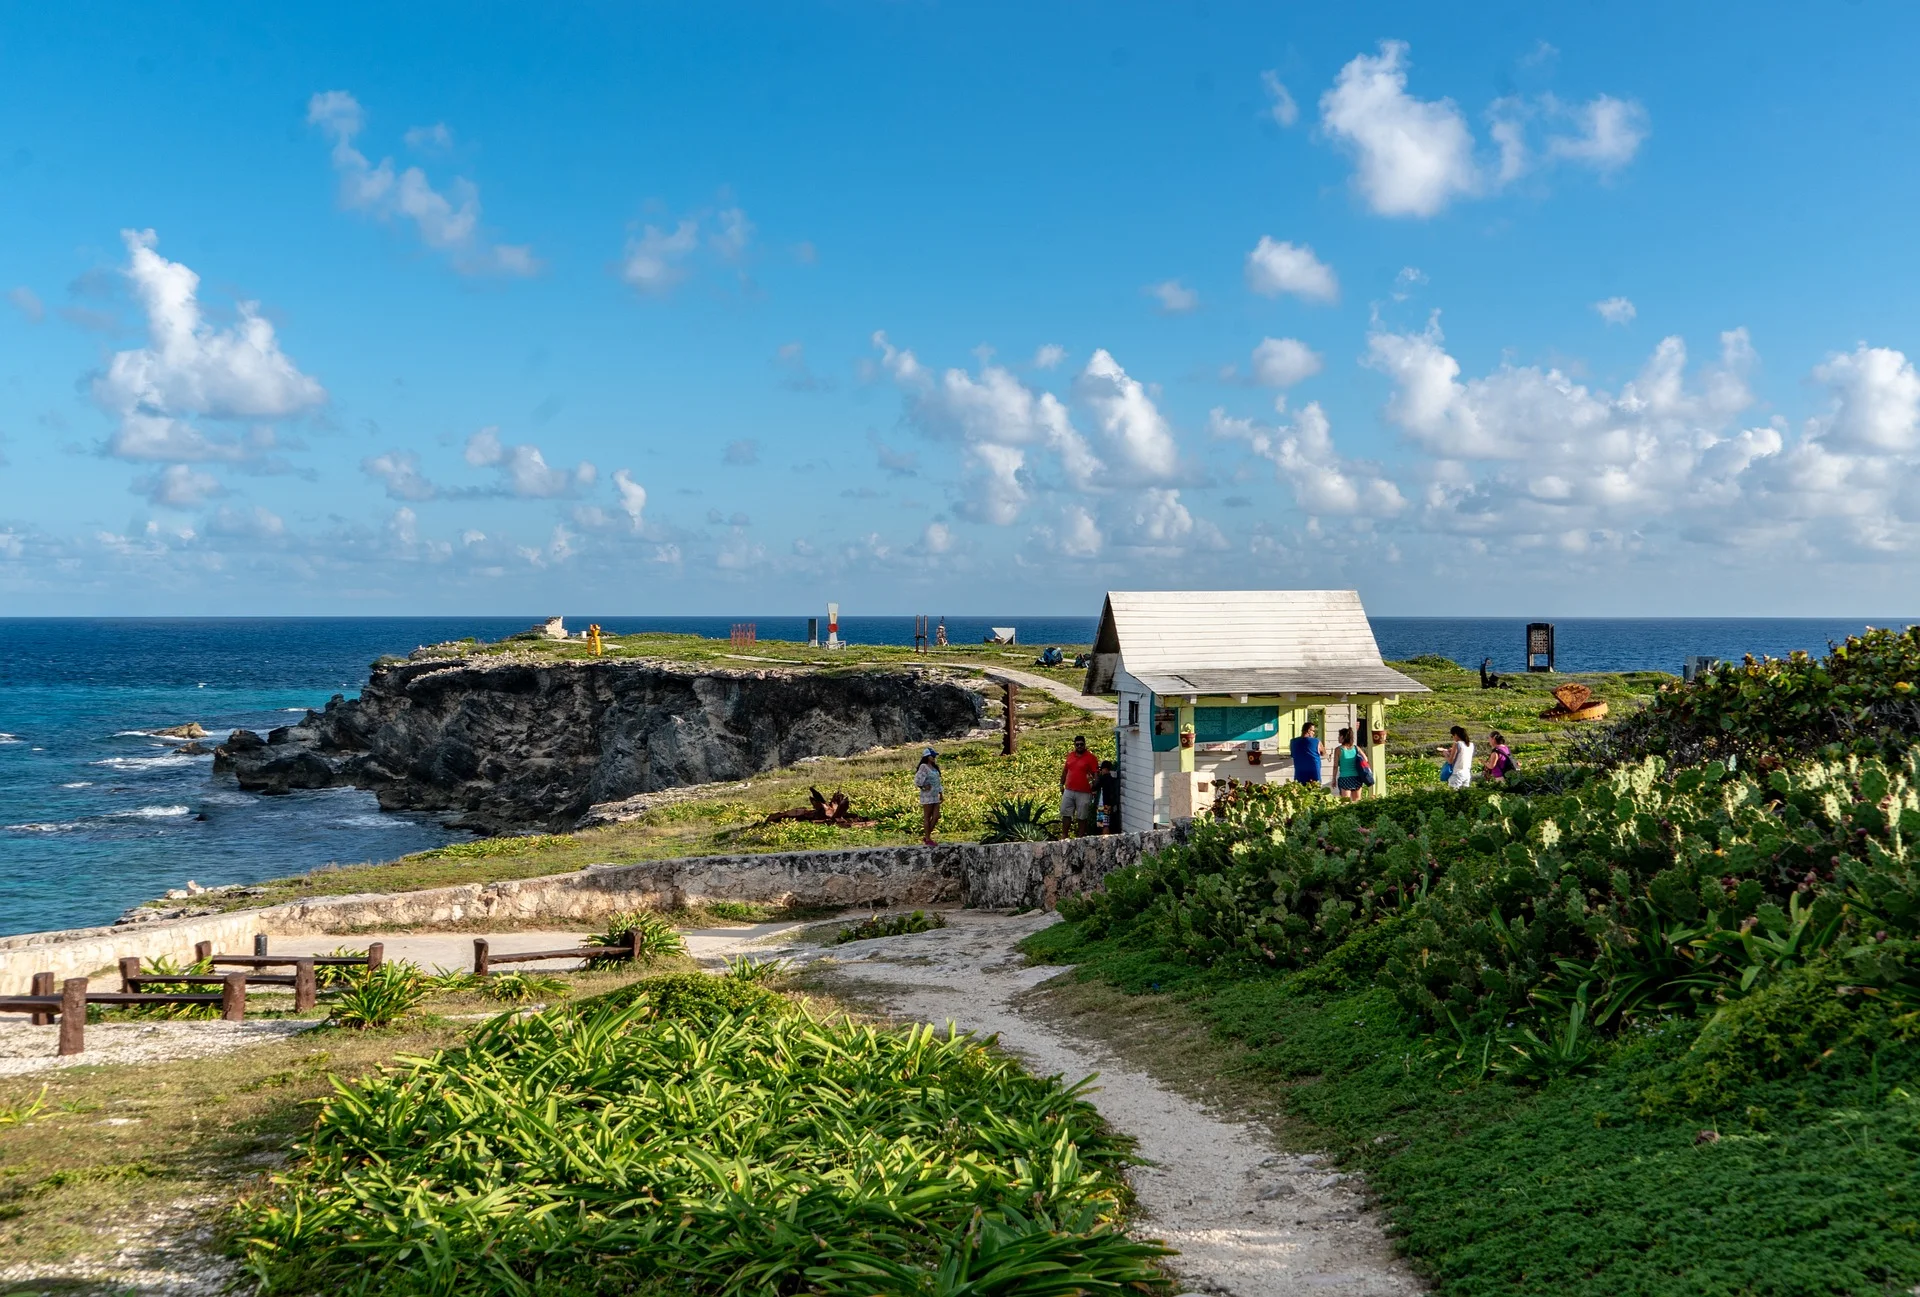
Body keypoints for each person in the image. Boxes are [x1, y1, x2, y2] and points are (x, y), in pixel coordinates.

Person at [1060, 734, 1100, 837]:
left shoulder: (1091, 758)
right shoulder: (1070, 756)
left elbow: (1095, 773)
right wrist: (1061, 784)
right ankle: (1064, 836)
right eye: (1077, 745)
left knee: (1082, 816)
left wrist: (1095, 786)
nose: (1079, 746)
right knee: (1066, 813)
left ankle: (1080, 838)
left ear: (1084, 745)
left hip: (1084, 792)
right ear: (1074, 745)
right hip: (1069, 790)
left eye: (1081, 744)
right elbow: (1065, 771)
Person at [913, 747, 943, 844]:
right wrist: (923, 787)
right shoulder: (924, 766)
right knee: (927, 817)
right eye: (932, 756)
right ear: (927, 756)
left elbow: (938, 782)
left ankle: (927, 836)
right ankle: (928, 839)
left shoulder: (934, 767)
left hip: (935, 795)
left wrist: (941, 793)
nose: (934, 757)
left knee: (936, 816)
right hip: (927, 796)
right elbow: (917, 780)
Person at [1333, 726, 1371, 802]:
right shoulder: (1356, 748)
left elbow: (1335, 766)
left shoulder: (1338, 749)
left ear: (1343, 737)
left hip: (1345, 778)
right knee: (1356, 801)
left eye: (1339, 736)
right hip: (1357, 777)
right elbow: (1365, 759)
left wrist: (1334, 778)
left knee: (1345, 802)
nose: (1338, 738)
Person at [1289, 720, 1323, 787]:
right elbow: (1323, 753)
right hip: (1314, 772)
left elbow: (1293, 754)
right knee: (1315, 793)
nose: (1314, 733)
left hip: (1300, 772)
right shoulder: (1316, 741)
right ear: (1308, 730)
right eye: (1313, 731)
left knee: (1301, 793)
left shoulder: (1293, 742)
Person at [1441, 725, 1474, 790]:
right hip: (1467, 773)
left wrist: (1445, 754)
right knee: (1464, 795)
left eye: (1452, 736)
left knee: (1453, 795)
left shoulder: (1457, 743)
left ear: (1456, 735)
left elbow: (1450, 761)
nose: (1453, 738)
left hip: (1457, 774)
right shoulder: (1471, 745)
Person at [1094, 759, 1122, 834]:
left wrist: (1091, 779)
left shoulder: (1103, 778)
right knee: (1105, 824)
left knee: (1104, 825)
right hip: (1109, 804)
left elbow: (1094, 787)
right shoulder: (1113, 780)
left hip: (1103, 804)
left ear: (1104, 769)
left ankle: (1105, 841)